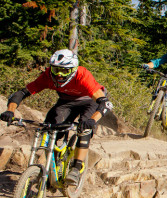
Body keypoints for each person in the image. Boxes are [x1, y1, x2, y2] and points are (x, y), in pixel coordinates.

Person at [0, 49, 113, 186]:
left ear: (73, 70)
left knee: (84, 129)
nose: (59, 74)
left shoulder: (82, 75)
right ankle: (52, 167)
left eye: (64, 71)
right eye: (56, 69)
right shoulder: (47, 75)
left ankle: (76, 169)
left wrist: (92, 120)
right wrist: (10, 111)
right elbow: (21, 93)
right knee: (50, 126)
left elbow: (105, 103)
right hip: (66, 101)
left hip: (89, 101)